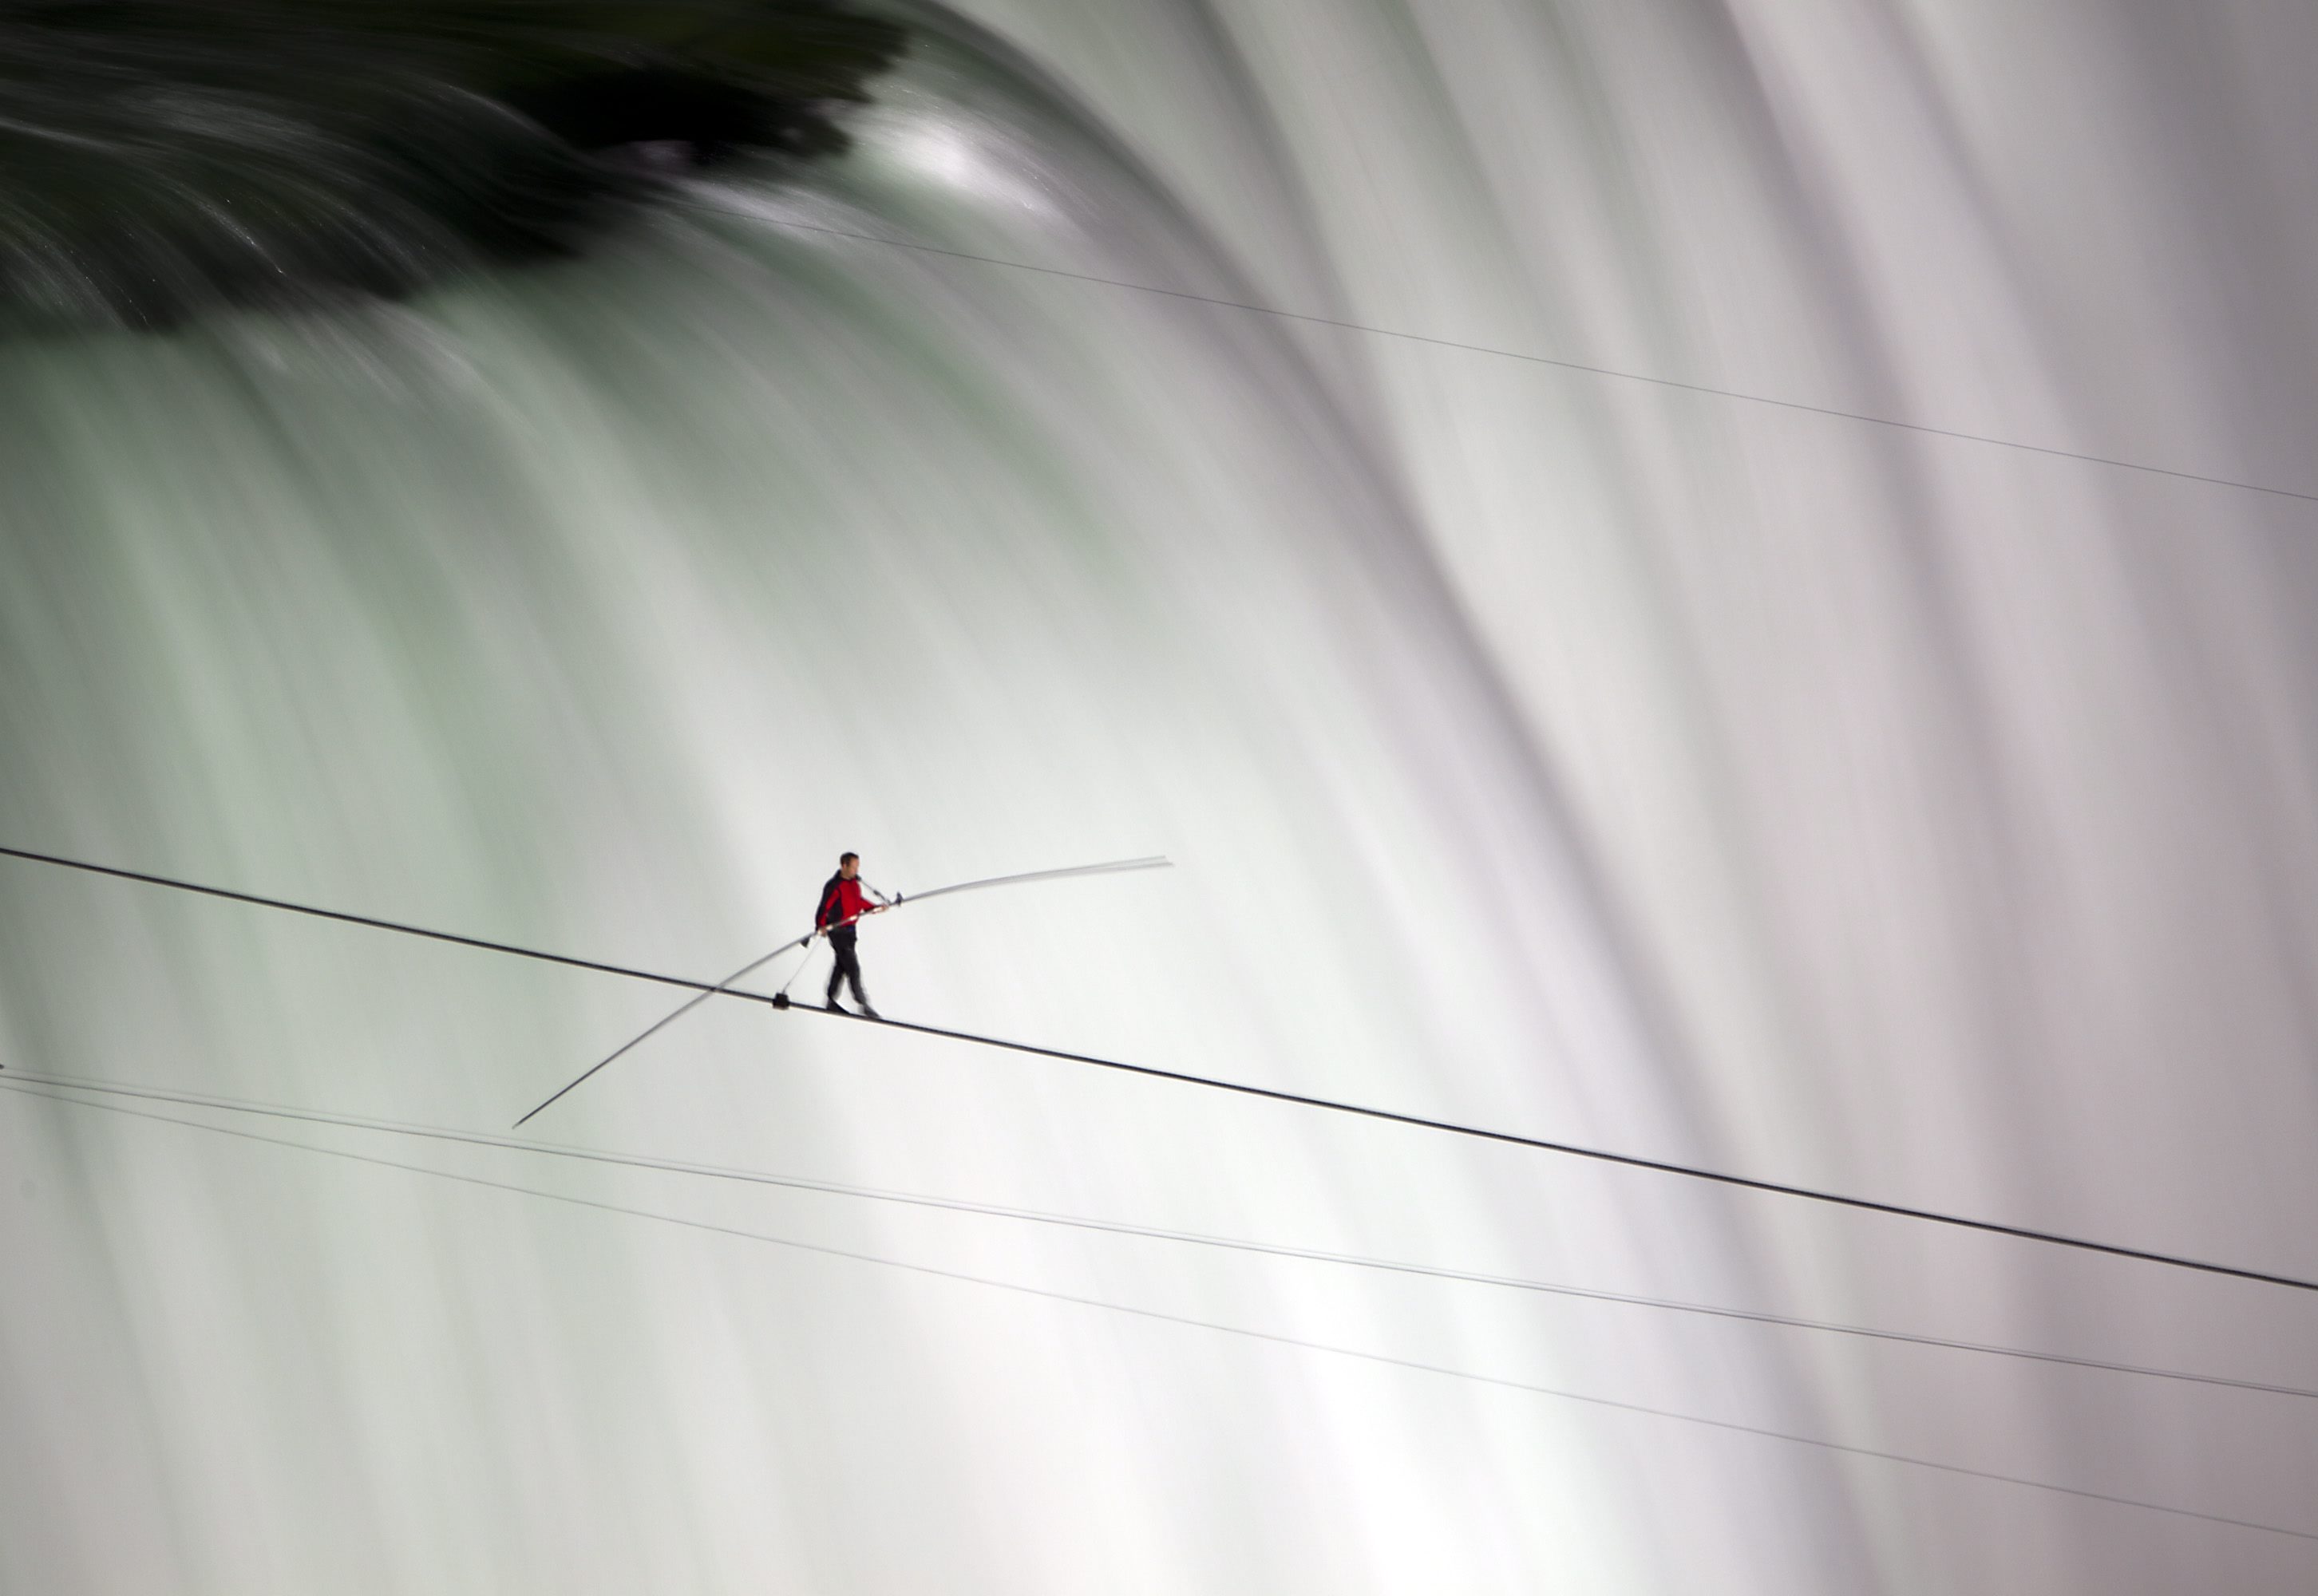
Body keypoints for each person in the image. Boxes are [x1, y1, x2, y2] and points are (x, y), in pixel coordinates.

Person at [815, 851, 883, 1017]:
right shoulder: (835, 886)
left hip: (851, 933)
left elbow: (857, 902)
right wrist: (821, 925)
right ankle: (863, 1003)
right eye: (853, 867)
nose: (856, 870)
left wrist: (874, 908)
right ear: (844, 866)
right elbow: (824, 907)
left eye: (857, 867)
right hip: (838, 932)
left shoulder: (854, 884)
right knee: (853, 967)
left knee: (841, 965)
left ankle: (831, 1000)